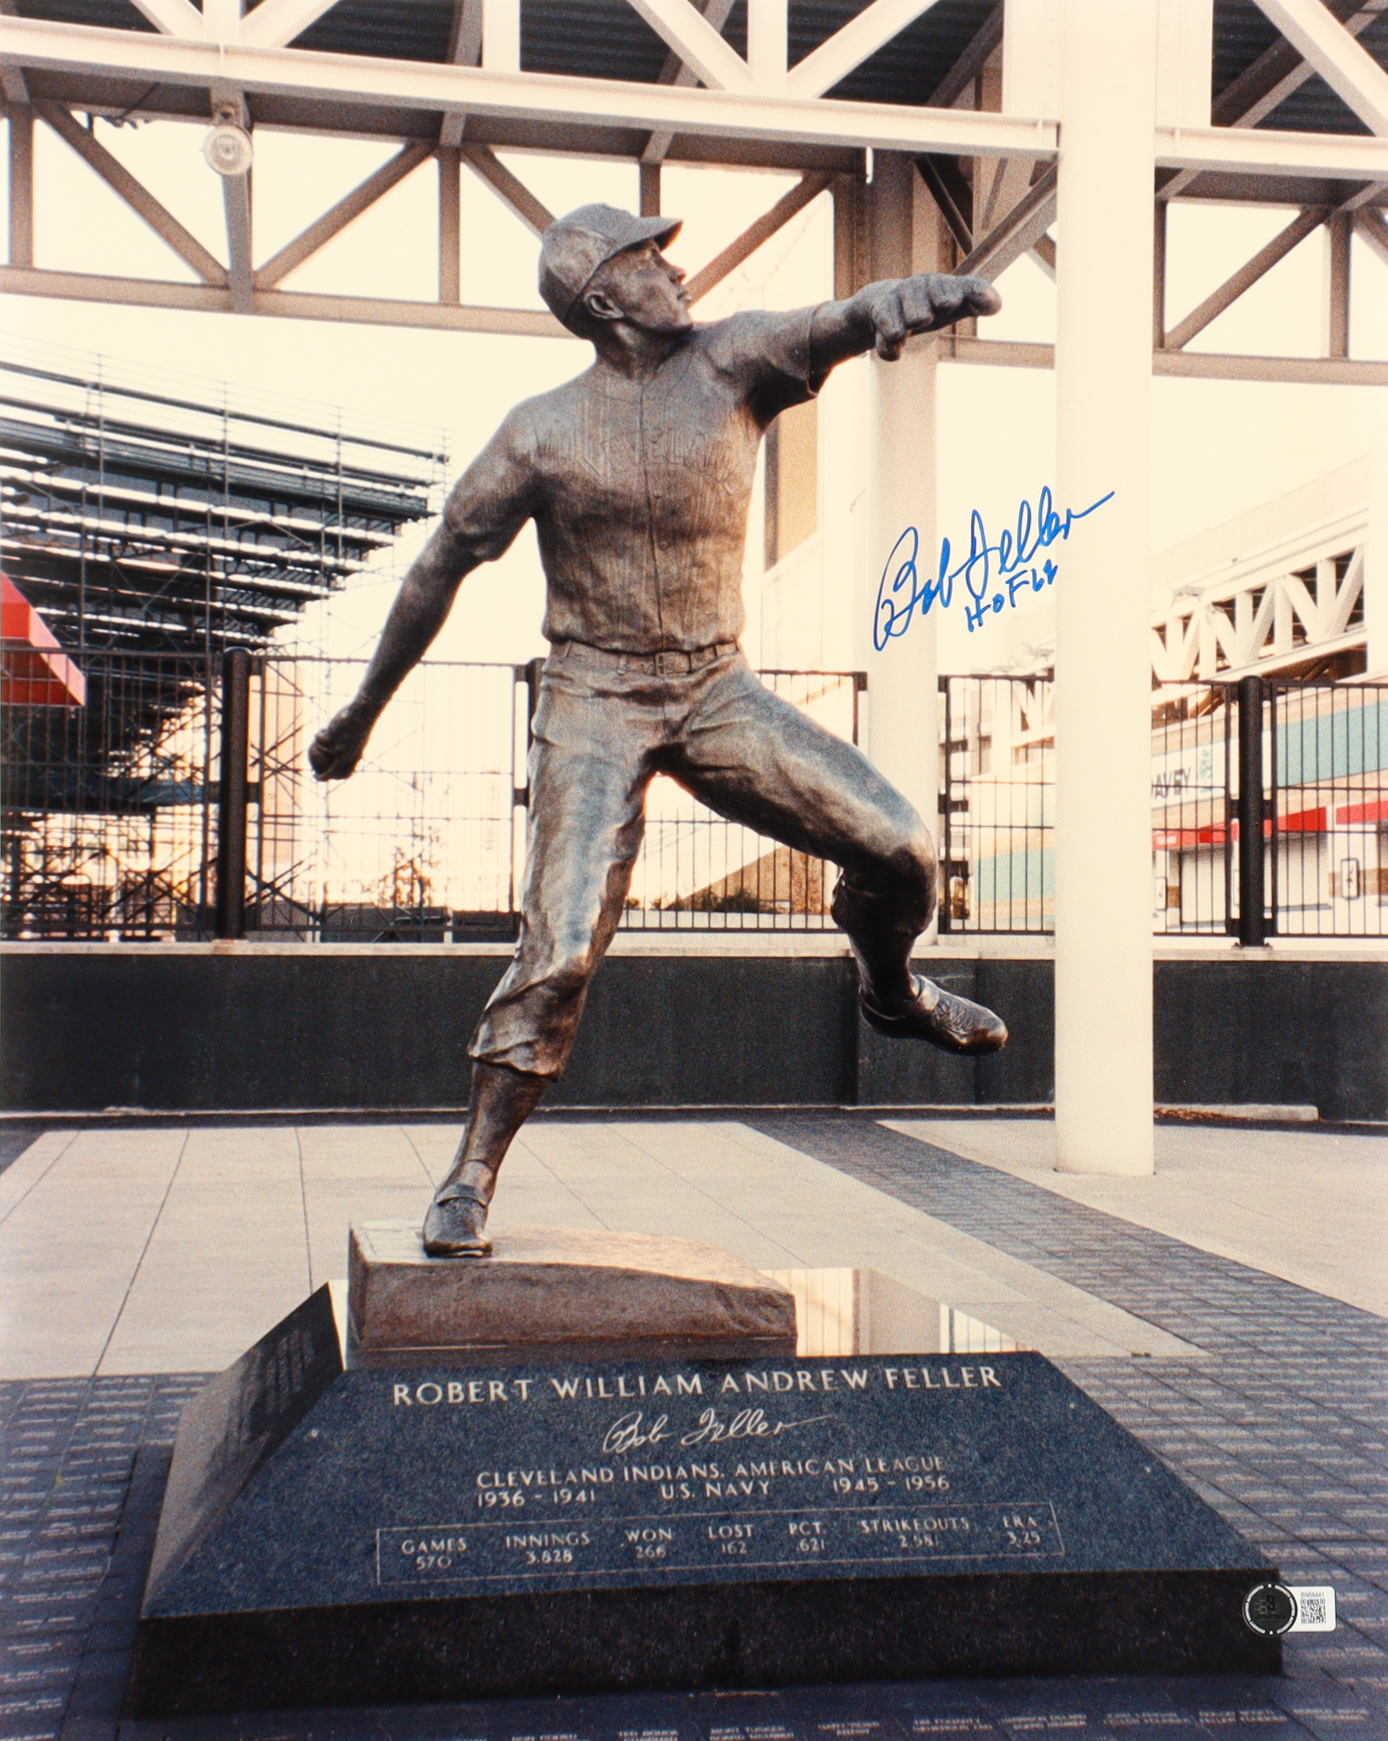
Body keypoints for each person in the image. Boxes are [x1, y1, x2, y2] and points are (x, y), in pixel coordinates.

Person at [310, 203, 1009, 1258]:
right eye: (646, 258)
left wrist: (888, 304)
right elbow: (436, 567)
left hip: (715, 689)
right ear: (603, 298)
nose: (672, 267)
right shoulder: (539, 429)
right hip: (592, 699)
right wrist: (363, 710)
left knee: (903, 847)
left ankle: (888, 989)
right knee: (557, 949)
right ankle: (469, 1175)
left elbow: (830, 319)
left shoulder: (731, 360)